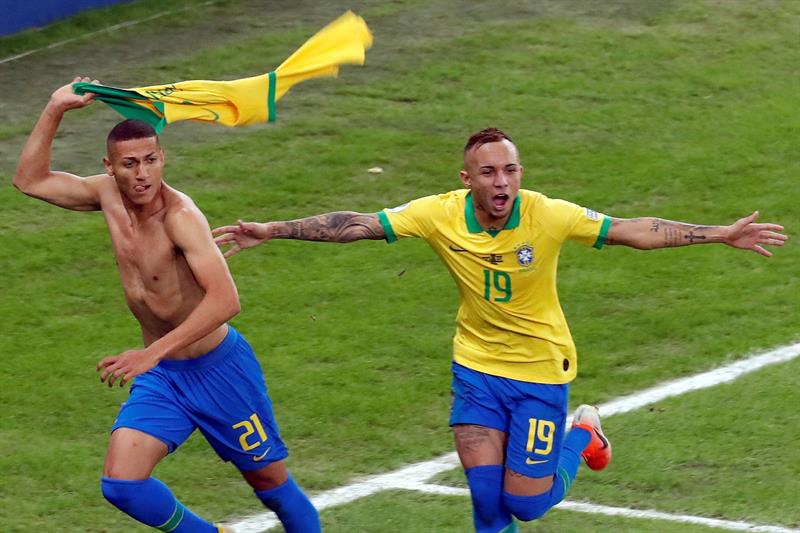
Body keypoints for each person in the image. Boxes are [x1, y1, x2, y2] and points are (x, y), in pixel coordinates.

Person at [213, 127, 788, 532]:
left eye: (510, 170)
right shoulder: (438, 213)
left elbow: (633, 230)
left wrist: (719, 233)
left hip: (540, 374)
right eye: (489, 172)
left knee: (526, 505)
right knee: (488, 505)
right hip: (477, 371)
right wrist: (274, 229)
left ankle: (584, 433)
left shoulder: (547, 214)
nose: (502, 181)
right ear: (468, 179)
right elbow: (356, 224)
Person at [13, 78, 321, 533]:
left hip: (218, 371)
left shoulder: (181, 217)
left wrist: (149, 353)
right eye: (130, 164)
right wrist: (55, 106)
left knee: (270, 484)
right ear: (110, 166)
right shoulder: (105, 195)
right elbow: (29, 180)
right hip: (164, 378)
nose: (142, 174)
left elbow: (226, 300)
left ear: (163, 159)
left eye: (151, 161)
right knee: (122, 485)